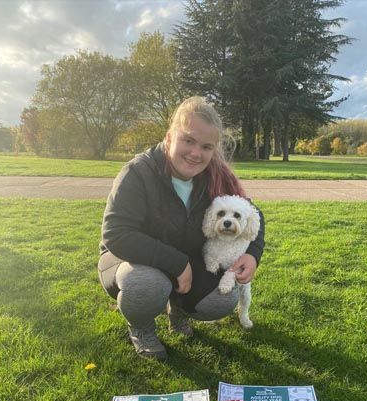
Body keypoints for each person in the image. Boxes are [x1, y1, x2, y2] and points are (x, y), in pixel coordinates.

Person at [98, 96, 265, 361]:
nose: (196, 153)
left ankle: (176, 309)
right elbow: (116, 235)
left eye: (206, 146)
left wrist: (253, 254)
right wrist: (176, 263)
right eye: (188, 140)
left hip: (187, 260)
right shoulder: (137, 172)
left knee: (221, 299)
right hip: (130, 260)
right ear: (169, 137)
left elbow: (253, 213)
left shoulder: (217, 173)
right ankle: (141, 327)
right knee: (146, 284)